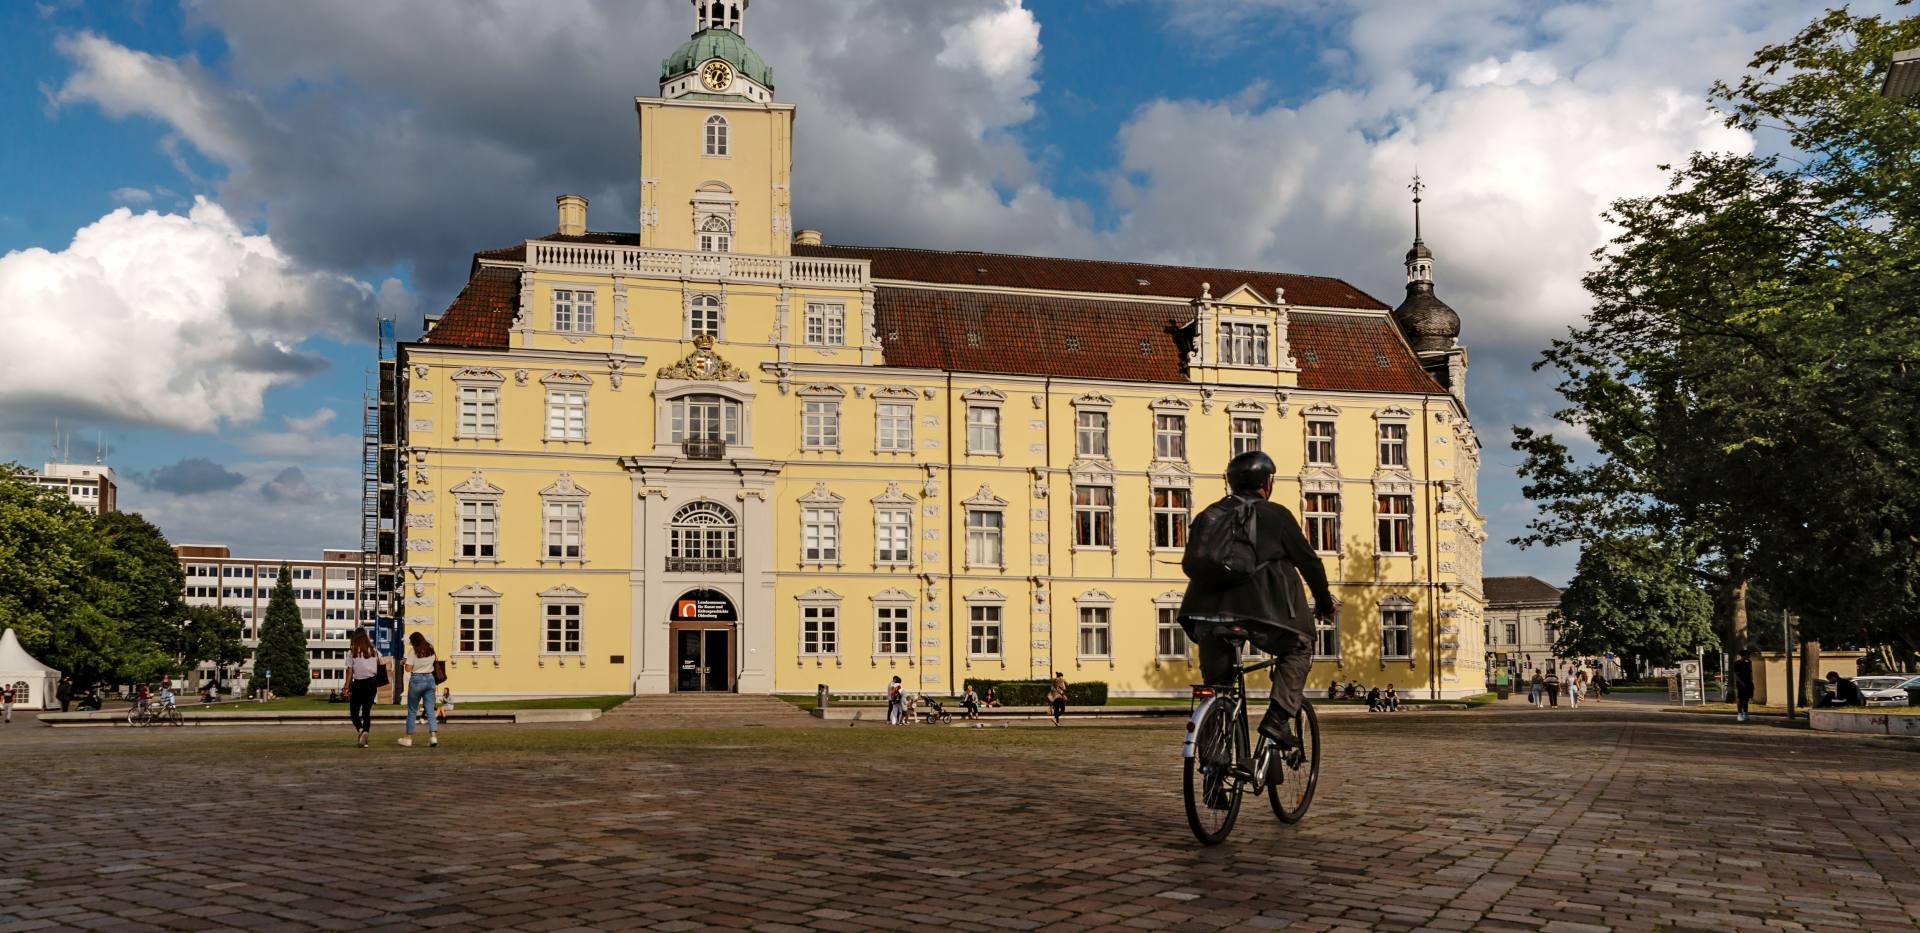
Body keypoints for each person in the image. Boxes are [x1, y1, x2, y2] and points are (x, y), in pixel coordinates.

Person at [1179, 450, 1338, 752]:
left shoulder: (1208, 515)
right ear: (1266, 482)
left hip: (1203, 615)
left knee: (1218, 687)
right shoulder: (1276, 515)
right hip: (1259, 613)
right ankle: (1278, 718)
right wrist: (1324, 602)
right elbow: (1310, 564)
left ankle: (1214, 764)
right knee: (1300, 646)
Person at [399, 632, 440, 748]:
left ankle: (408, 738)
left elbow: (408, 669)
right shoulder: (430, 649)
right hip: (430, 679)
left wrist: (404, 662)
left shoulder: (413, 651)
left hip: (417, 680)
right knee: (430, 710)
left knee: (412, 710)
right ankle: (433, 737)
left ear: (414, 641)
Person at [346, 628, 383, 747]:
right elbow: (381, 663)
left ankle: (361, 731)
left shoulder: (352, 652)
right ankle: (365, 735)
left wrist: (346, 686)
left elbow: (349, 671)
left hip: (358, 684)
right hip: (372, 683)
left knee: (354, 712)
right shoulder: (374, 650)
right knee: (366, 711)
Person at [1732, 649, 1755, 722]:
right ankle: (1739, 714)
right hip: (1741, 683)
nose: (1748, 657)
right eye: (1747, 655)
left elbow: (1750, 672)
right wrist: (1741, 683)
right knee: (1741, 699)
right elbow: (1736, 675)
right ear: (1743, 655)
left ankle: (1745, 713)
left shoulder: (1748, 662)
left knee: (1747, 699)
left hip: (1748, 683)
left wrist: (1751, 681)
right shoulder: (1737, 663)